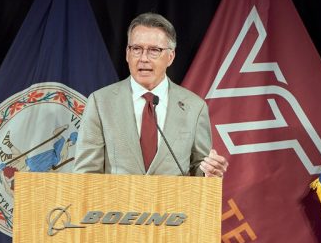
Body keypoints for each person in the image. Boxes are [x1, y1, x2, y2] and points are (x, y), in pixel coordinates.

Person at [73, 12, 228, 177]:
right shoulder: (100, 103)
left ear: (170, 57)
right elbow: (86, 174)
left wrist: (209, 173)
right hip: (116, 203)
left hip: (173, 202)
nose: (144, 58)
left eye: (154, 50)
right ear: (127, 53)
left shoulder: (195, 107)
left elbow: (199, 168)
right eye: (137, 49)